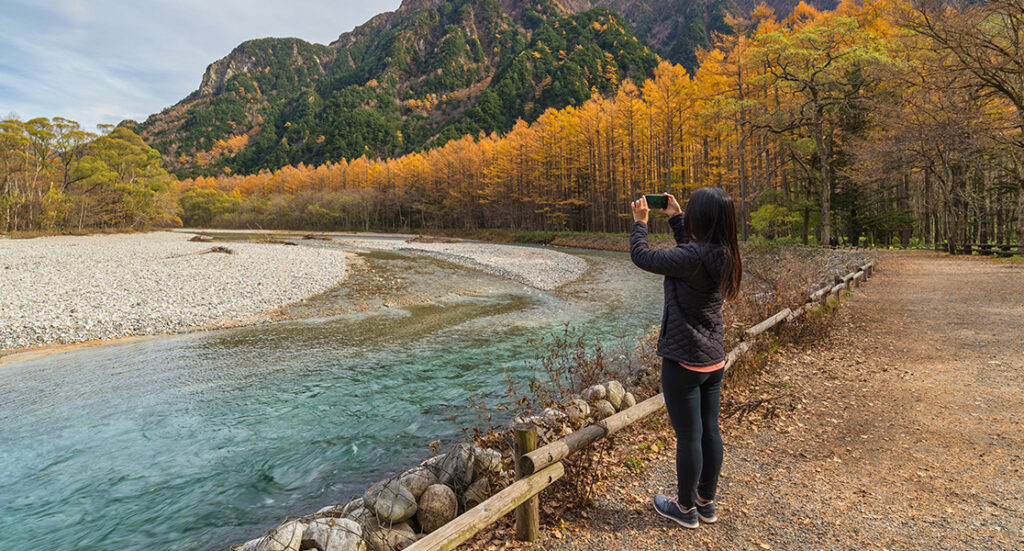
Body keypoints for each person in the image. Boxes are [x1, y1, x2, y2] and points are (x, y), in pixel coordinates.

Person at [629, 188, 742, 529]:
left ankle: (685, 507)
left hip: (683, 361)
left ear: (701, 219)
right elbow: (692, 256)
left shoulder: (692, 257)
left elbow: (642, 257)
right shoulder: (727, 254)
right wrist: (676, 219)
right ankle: (706, 504)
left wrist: (640, 223)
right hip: (713, 360)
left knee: (689, 437)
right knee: (710, 431)